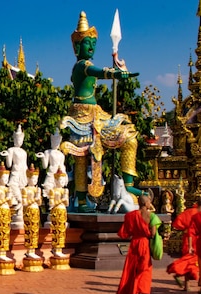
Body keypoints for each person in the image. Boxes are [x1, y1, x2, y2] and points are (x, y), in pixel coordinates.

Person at [60, 11, 142, 212]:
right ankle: (80, 198)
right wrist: (115, 73)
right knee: (80, 155)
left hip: (96, 114)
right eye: (88, 43)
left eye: (94, 44)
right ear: (77, 46)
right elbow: (97, 72)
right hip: (82, 116)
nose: (91, 47)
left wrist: (118, 71)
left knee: (129, 136)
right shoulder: (82, 65)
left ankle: (128, 185)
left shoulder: (84, 65)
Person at [116, 194, 159, 294]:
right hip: (144, 244)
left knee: (131, 269)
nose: (150, 203)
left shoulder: (131, 215)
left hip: (134, 244)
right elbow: (153, 234)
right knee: (141, 271)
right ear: (145, 204)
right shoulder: (151, 216)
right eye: (149, 202)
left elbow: (125, 232)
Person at [166, 198, 200, 290]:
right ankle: (178, 272)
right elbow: (191, 230)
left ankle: (186, 286)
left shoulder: (189, 212)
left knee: (187, 260)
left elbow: (177, 222)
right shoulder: (199, 214)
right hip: (194, 240)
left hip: (187, 239)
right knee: (191, 262)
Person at [1, 125, 28, 225]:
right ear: (14, 138)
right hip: (15, 171)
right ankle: (18, 204)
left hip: (23, 172)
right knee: (12, 186)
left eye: (21, 139)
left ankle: (20, 211)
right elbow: (8, 164)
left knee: (22, 189)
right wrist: (7, 156)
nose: (19, 141)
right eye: (17, 139)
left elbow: (25, 164)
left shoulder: (24, 152)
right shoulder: (11, 150)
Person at [0, 163, 15, 262]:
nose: (5, 180)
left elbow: (10, 204)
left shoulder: (7, 189)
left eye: (7, 178)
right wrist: (5, 199)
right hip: (0, 212)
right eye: (3, 178)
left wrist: (9, 197)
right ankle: (0, 252)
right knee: (0, 232)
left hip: (6, 211)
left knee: (6, 233)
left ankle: (4, 252)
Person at [37, 129, 67, 197]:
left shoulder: (61, 154)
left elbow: (62, 166)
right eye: (54, 141)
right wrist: (42, 157)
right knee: (48, 187)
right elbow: (45, 166)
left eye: (57, 142)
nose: (56, 143)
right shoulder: (48, 152)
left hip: (60, 173)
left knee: (59, 191)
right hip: (51, 172)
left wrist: (65, 175)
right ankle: (51, 203)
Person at [48, 169, 70, 257]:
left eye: (63, 180)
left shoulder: (65, 191)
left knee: (62, 231)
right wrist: (61, 200)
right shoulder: (53, 191)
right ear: (55, 180)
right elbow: (51, 203)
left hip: (63, 211)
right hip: (56, 211)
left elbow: (67, 203)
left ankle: (60, 249)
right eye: (60, 180)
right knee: (56, 230)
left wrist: (65, 199)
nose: (61, 182)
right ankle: (55, 248)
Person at [21, 164, 42, 259]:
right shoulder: (25, 189)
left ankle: (33, 250)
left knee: (35, 231)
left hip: (36, 210)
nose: (35, 180)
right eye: (33, 178)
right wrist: (35, 199)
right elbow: (24, 203)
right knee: (29, 230)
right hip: (29, 211)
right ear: (28, 178)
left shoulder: (37, 189)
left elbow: (40, 203)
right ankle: (29, 250)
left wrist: (38, 196)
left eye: (36, 178)